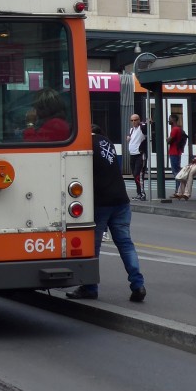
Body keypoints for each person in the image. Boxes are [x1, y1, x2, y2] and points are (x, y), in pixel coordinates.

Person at [66, 124, 146, 303]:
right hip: (121, 200)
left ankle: (90, 287)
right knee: (126, 244)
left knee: (92, 247)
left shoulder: (88, 144)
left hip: (101, 202)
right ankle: (138, 285)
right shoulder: (107, 142)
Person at [126, 113, 147, 201]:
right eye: (132, 120)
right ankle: (139, 193)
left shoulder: (141, 127)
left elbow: (146, 126)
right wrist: (128, 138)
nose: (134, 122)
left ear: (139, 120)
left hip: (140, 155)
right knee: (135, 175)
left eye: (135, 120)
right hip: (132, 155)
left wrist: (147, 122)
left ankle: (142, 194)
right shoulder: (131, 130)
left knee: (138, 175)